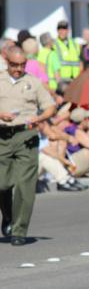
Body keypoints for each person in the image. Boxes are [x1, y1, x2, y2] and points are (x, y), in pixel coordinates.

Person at [0, 46, 57, 245]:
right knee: (2, 184)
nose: (18, 69)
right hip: (2, 136)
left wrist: (39, 118)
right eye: (14, 65)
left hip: (26, 136)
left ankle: (19, 230)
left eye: (22, 65)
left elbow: (50, 106)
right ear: (6, 62)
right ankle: (8, 215)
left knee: (25, 186)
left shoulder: (33, 82)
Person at [53, 20, 81, 89]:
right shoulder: (54, 45)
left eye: (64, 29)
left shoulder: (75, 44)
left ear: (68, 31)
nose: (61, 31)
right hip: (63, 81)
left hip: (76, 79)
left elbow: (80, 61)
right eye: (60, 29)